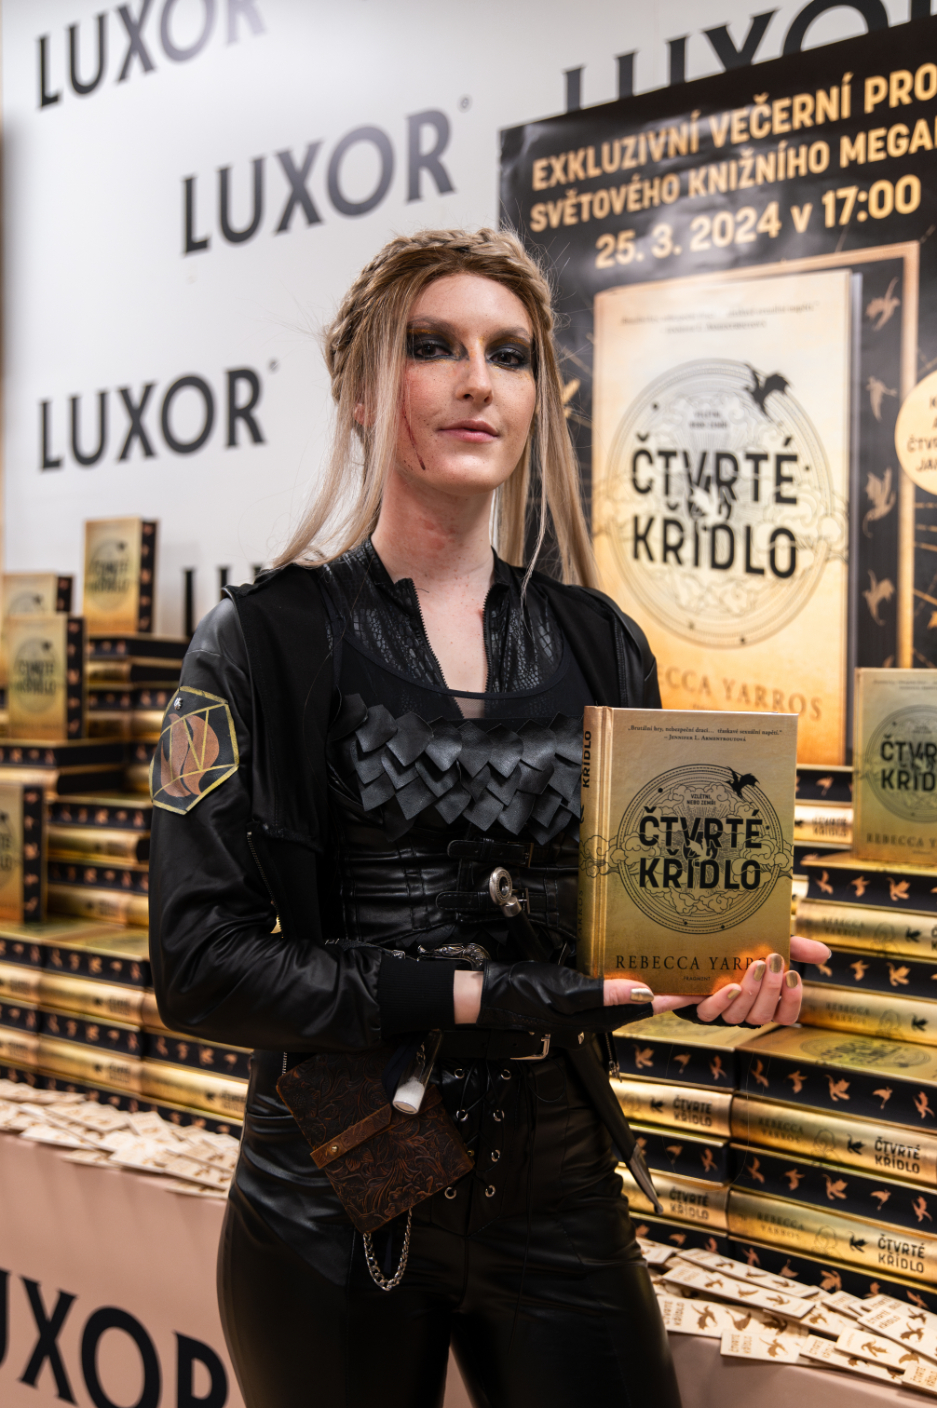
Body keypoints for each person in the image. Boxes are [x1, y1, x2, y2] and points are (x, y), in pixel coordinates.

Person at [149, 228, 829, 1408]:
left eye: (508, 354)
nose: (477, 380)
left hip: (559, 1191)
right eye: (434, 347)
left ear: (534, 399)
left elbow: (626, 938)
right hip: (339, 1190)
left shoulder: (600, 642)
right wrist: (478, 995)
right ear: (362, 393)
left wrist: (719, 962)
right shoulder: (262, 637)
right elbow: (200, 966)